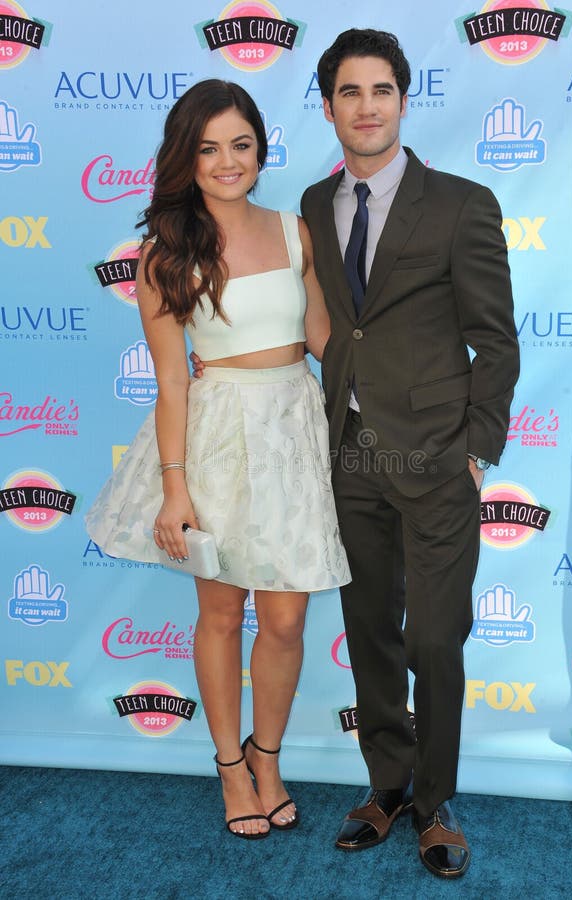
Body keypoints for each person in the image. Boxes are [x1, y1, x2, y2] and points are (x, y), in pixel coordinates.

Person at [85, 79, 350, 840]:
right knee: (222, 611)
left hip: (293, 426)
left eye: (240, 144)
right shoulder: (166, 253)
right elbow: (172, 381)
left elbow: (327, 344)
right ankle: (230, 768)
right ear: (185, 158)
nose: (227, 161)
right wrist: (175, 491)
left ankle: (268, 757)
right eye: (208, 148)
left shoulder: (299, 230)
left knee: (289, 615)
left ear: (261, 149)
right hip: (215, 437)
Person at [300, 29, 520, 877]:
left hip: (436, 460)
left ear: (402, 100)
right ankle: (387, 785)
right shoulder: (317, 208)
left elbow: (495, 342)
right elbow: (333, 326)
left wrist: (477, 452)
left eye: (381, 91)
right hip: (350, 455)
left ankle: (436, 801)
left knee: (434, 636)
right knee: (369, 633)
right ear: (328, 107)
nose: (366, 108)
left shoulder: (462, 203)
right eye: (349, 93)